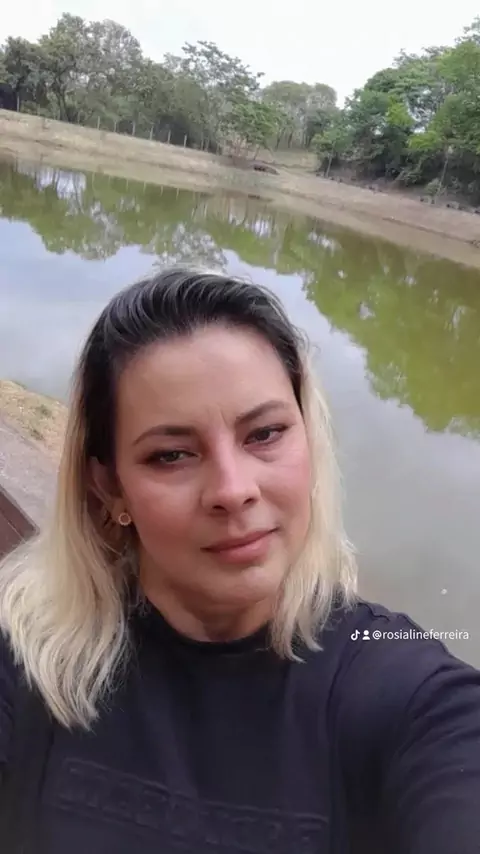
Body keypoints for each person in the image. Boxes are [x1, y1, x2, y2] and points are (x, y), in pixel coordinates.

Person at [0, 267, 479, 854]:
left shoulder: (404, 694)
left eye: (265, 434)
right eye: (171, 455)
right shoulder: (28, 658)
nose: (233, 490)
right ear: (110, 487)